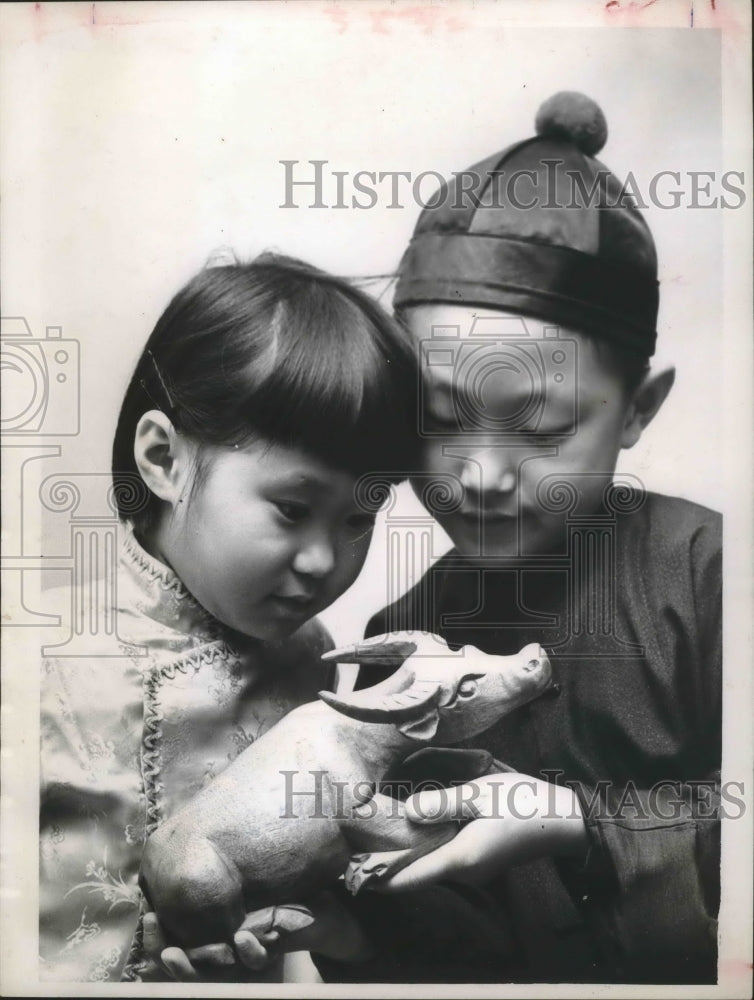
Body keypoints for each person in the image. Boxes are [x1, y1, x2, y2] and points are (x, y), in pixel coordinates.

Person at [312, 92, 722, 985]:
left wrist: (579, 827)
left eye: (539, 428)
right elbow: (424, 931)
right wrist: (353, 937)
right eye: (440, 418)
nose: (483, 475)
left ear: (638, 409)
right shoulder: (402, 635)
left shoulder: (711, 580)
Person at [38, 252, 420, 982]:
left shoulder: (314, 663)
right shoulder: (42, 660)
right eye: (293, 509)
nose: (323, 560)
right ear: (164, 459)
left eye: (358, 520)